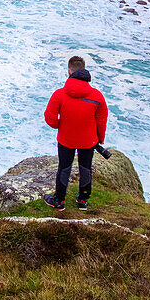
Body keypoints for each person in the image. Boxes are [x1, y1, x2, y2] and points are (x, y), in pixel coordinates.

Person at [42, 55, 108, 211]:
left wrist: (60, 126)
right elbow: (101, 120)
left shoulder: (59, 94)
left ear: (69, 71)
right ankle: (83, 200)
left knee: (64, 168)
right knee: (85, 168)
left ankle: (59, 201)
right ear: (84, 71)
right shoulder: (97, 96)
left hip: (66, 139)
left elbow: (49, 117)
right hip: (88, 140)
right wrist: (100, 138)